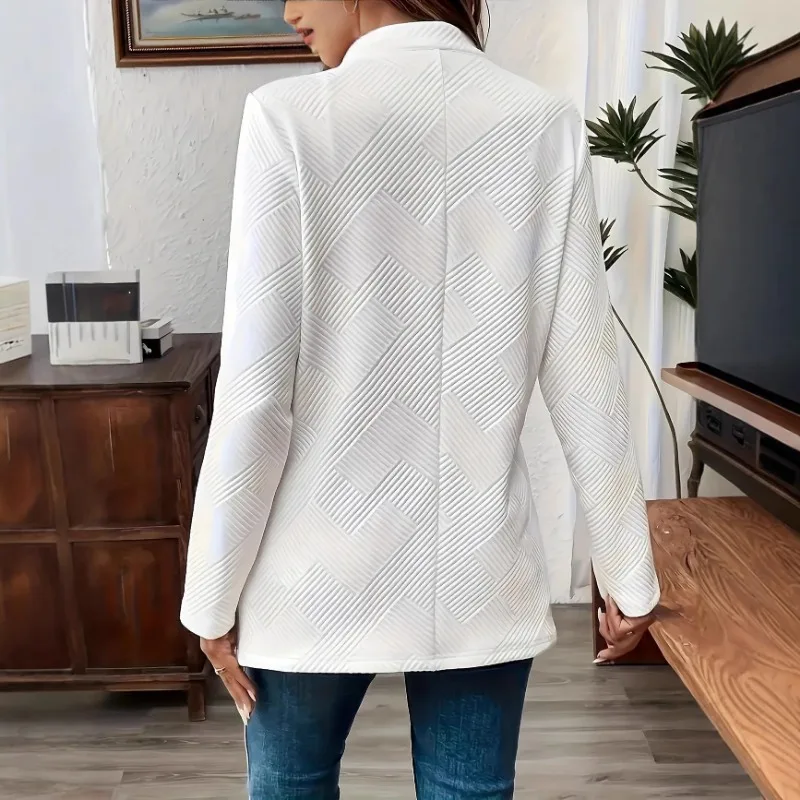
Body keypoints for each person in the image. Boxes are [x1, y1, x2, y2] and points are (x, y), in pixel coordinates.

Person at [180, 0, 661, 797]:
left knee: (292, 784)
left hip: (307, 572)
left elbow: (257, 396)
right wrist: (629, 573)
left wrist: (211, 596)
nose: (289, 10)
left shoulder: (287, 120)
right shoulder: (540, 123)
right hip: (477, 571)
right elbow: (586, 376)